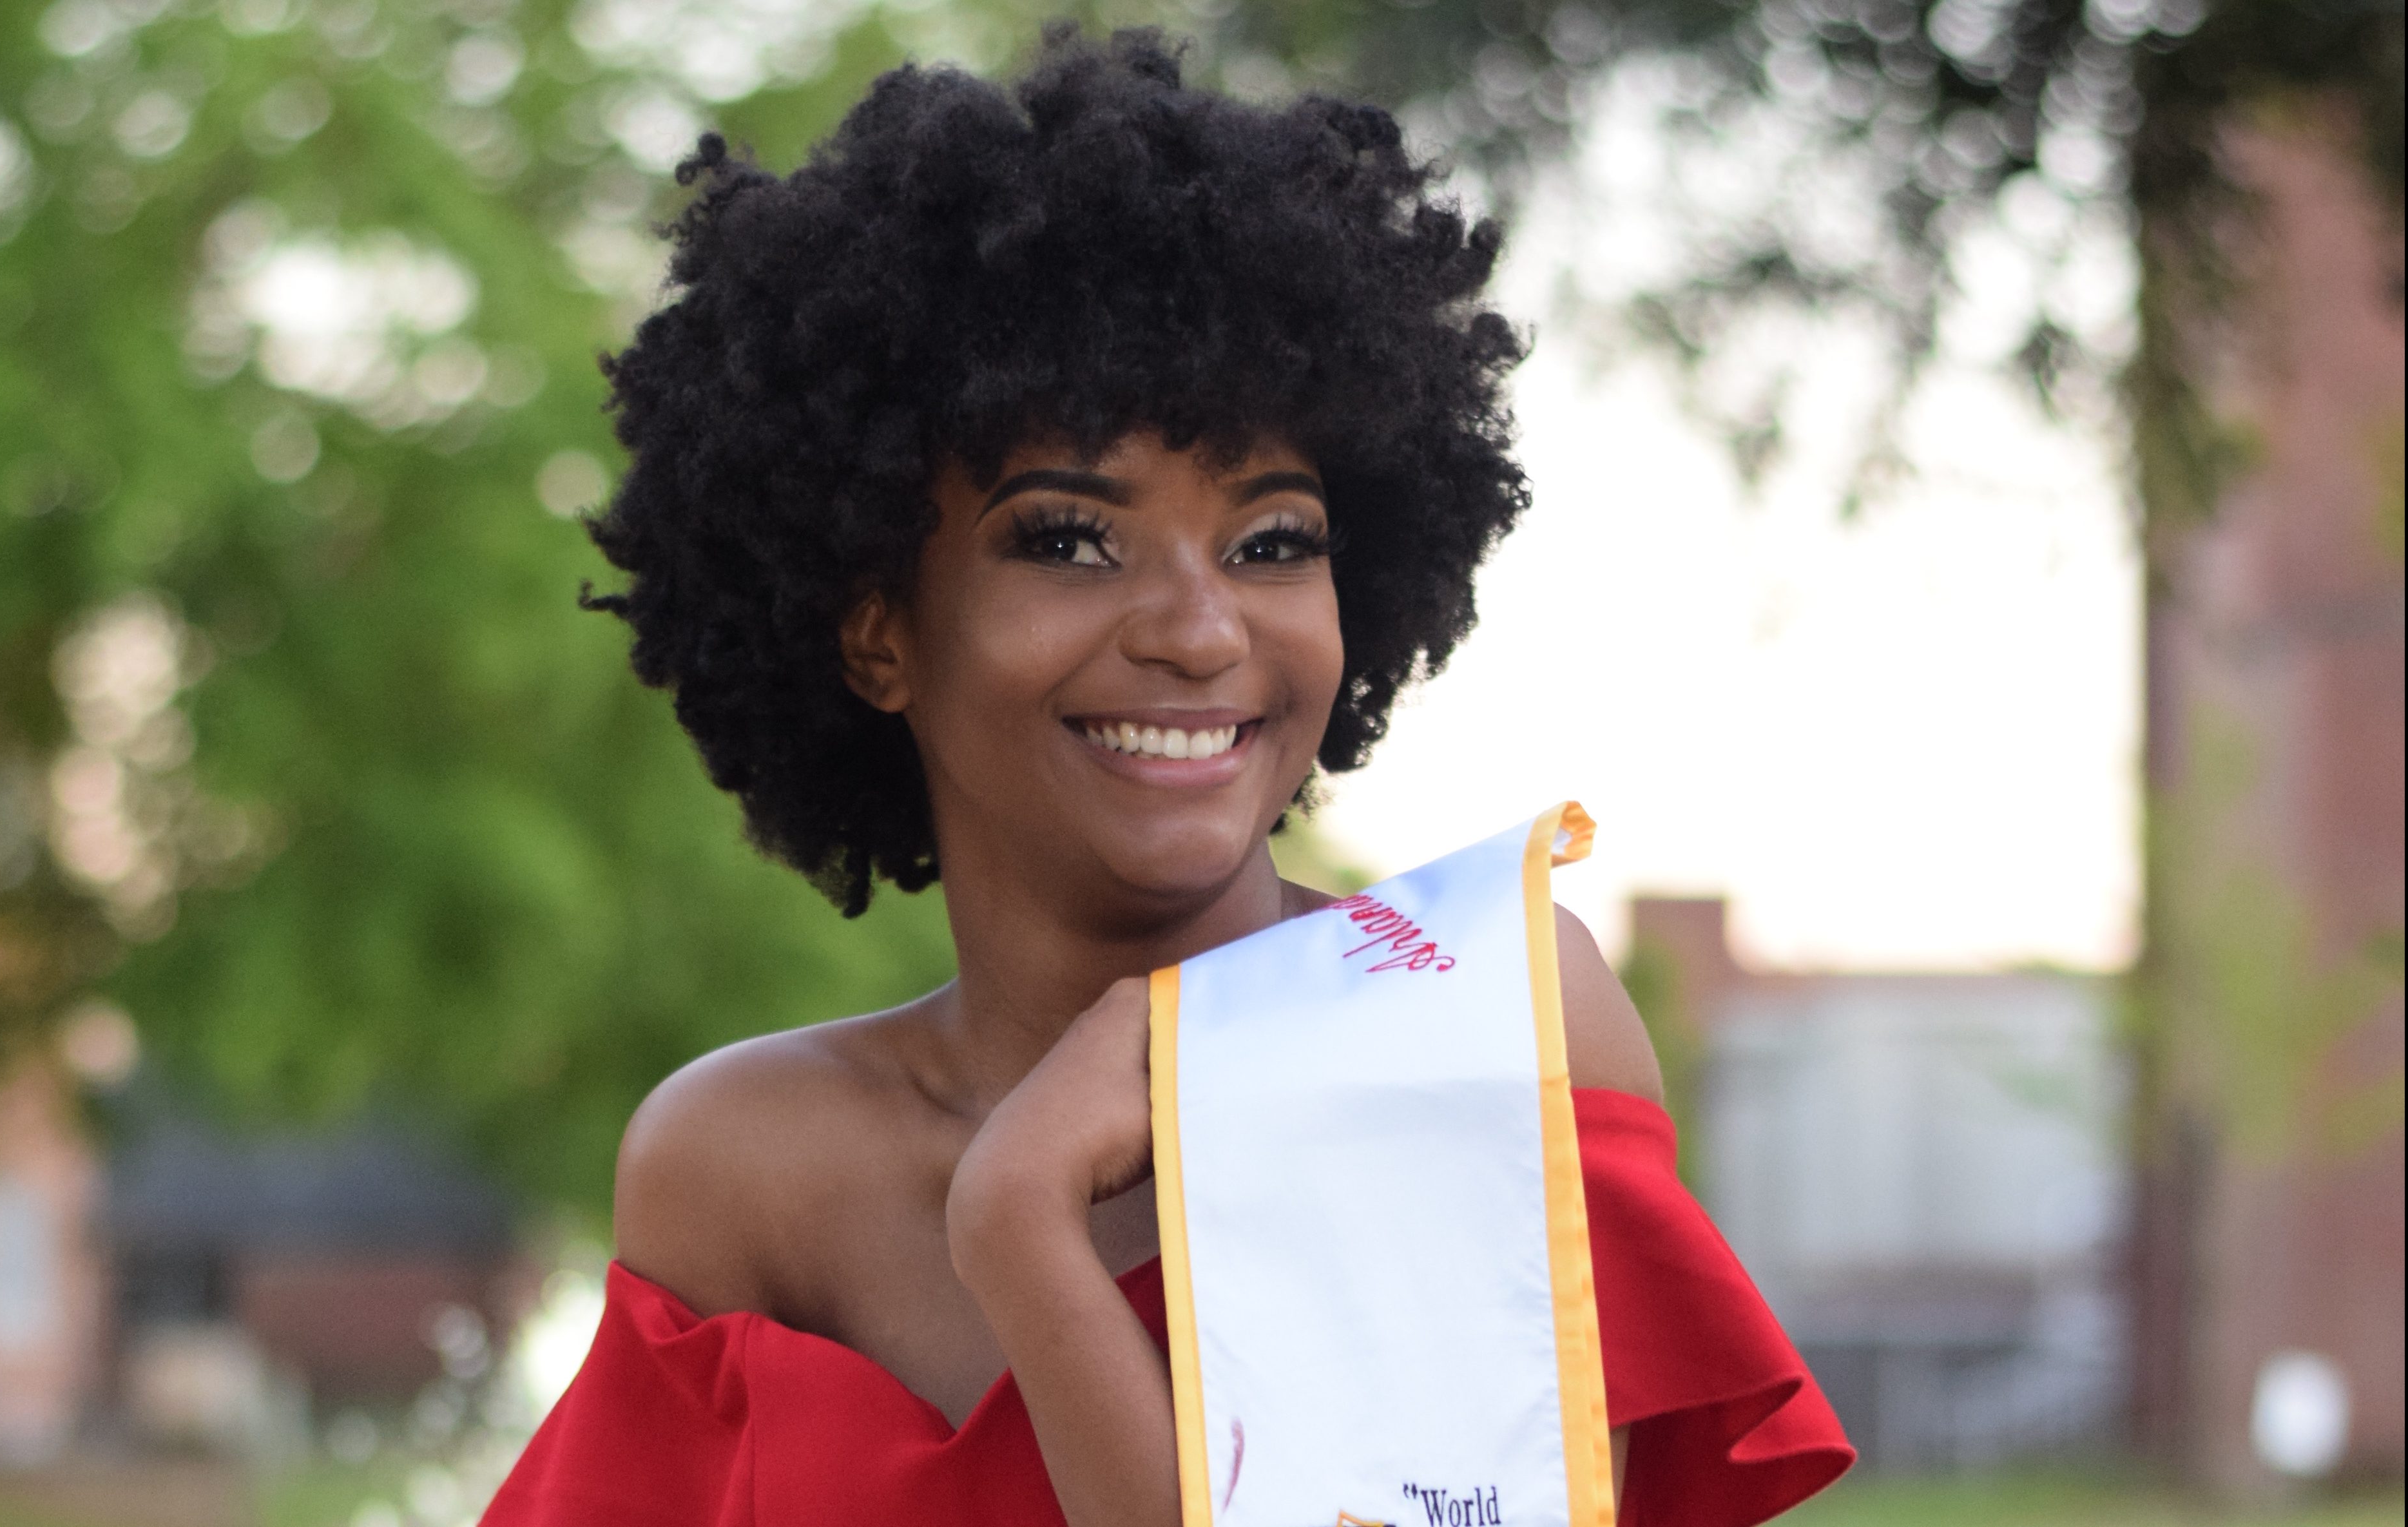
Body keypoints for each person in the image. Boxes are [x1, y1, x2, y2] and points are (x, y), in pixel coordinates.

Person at [482, 28, 1850, 1527]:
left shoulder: (1469, 1020)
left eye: (1272, 543)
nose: (1202, 632)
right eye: (1067, 539)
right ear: (875, 630)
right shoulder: (742, 1170)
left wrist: (1021, 1232)